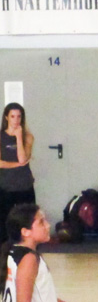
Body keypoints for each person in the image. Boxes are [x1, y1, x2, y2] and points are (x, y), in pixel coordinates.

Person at [0, 103, 36, 244]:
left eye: (19, 116)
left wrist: (19, 137)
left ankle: (27, 249)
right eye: (12, 116)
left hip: (24, 185)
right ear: (6, 118)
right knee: (4, 221)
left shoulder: (28, 137)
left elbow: (22, 158)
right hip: (5, 186)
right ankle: (5, 250)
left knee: (28, 220)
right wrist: (17, 165)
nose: (16, 120)